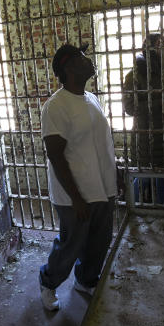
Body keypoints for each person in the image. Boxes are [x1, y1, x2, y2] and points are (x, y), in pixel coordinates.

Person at [38, 44, 118, 311]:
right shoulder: (56, 106)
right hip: (76, 194)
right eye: (83, 59)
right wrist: (76, 199)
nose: (90, 62)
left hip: (102, 187)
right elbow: (56, 156)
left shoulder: (91, 98)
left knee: (99, 242)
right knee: (71, 245)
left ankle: (85, 281)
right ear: (69, 67)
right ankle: (48, 282)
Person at [122, 34, 164, 204]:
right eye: (160, 44)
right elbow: (129, 108)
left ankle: (162, 213)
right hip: (149, 137)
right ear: (149, 48)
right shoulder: (136, 74)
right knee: (144, 176)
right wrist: (160, 101)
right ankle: (133, 209)